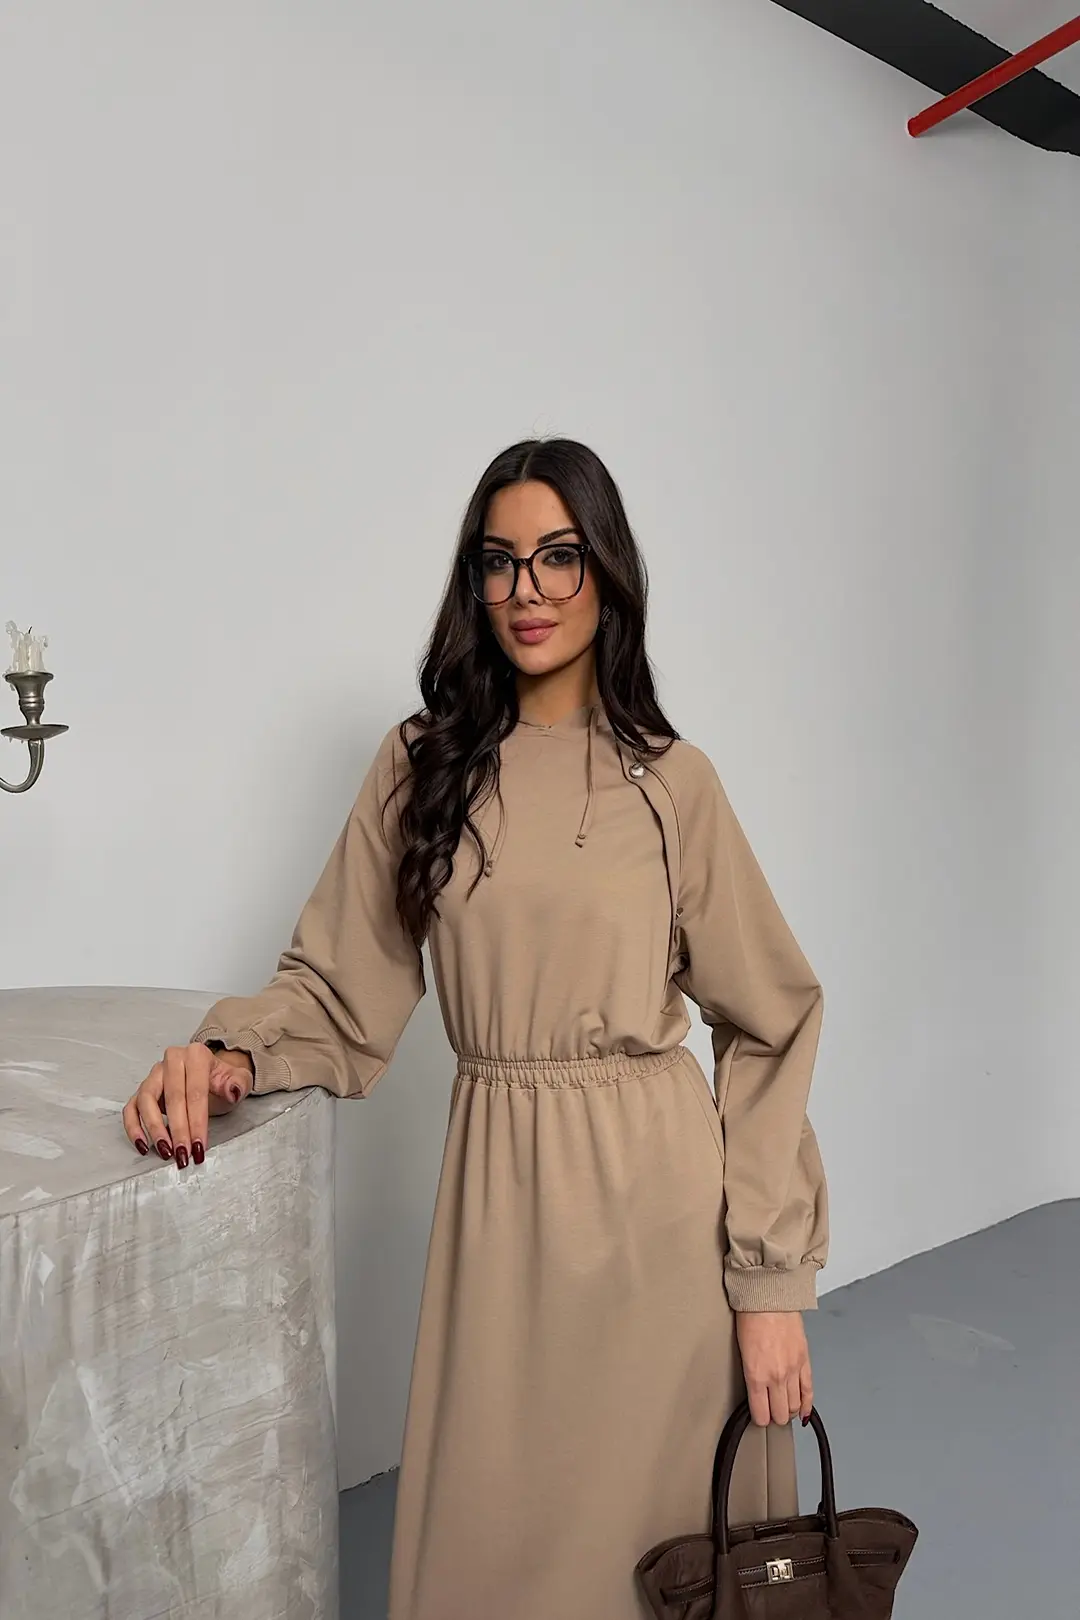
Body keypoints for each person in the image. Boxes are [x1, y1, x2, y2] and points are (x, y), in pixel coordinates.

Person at [123, 438, 829, 1619]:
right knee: (497, 1547)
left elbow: (771, 1022)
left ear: (607, 573)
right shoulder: (424, 767)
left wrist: (769, 1286)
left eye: (558, 557)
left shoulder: (673, 784)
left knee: (672, 1552)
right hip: (504, 1215)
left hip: (661, 1226)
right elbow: (341, 984)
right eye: (499, 562)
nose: (528, 590)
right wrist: (231, 1052)